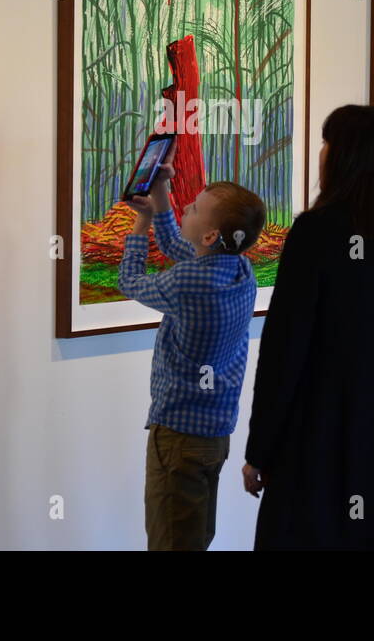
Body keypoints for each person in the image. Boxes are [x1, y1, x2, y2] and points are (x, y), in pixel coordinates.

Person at [242, 104, 374, 550]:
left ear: (345, 157)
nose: (321, 152)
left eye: (327, 141)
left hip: (323, 447)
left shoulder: (315, 236)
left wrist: (260, 448)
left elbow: (285, 349)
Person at [120, 164, 266, 551]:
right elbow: (179, 247)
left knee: (171, 541)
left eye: (194, 208)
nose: (186, 207)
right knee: (194, 538)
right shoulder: (240, 269)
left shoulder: (189, 282)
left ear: (211, 233)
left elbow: (130, 281)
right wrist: (162, 194)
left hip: (178, 437)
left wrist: (141, 225)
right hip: (214, 435)